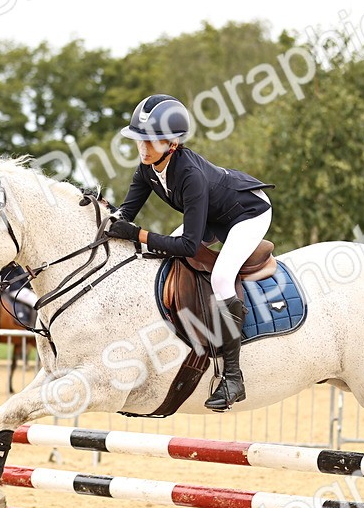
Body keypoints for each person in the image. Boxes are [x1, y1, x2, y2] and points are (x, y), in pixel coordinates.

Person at [107, 94, 274, 412]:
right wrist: (99, 213)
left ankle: (233, 377)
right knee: (161, 258)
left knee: (222, 277)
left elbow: (187, 245)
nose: (143, 147)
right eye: (140, 139)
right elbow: (123, 216)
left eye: (151, 140)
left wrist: (139, 235)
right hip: (213, 213)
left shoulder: (189, 175)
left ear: (172, 143)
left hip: (247, 212)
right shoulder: (147, 170)